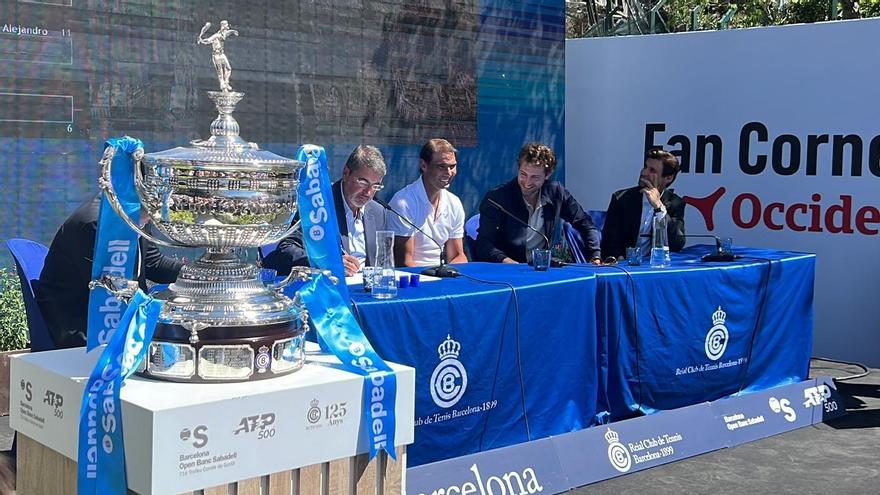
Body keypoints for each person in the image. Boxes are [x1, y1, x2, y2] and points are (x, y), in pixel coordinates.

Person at [34, 195, 183, 349]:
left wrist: (196, 274)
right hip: (80, 323)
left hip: (114, 310)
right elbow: (113, 292)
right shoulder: (97, 225)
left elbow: (154, 263)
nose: (150, 221)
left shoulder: (134, 211)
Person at [262, 145, 389, 276]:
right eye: (363, 182)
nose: (368, 192)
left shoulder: (378, 212)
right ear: (346, 173)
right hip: (328, 287)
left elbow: (382, 261)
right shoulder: (317, 203)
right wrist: (328, 264)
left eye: (376, 185)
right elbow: (286, 249)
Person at [475, 142, 601, 263]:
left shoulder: (556, 192)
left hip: (540, 269)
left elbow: (586, 223)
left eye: (535, 177)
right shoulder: (496, 199)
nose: (527, 183)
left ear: (548, 175)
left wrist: (595, 256)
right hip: (507, 271)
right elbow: (483, 245)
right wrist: (508, 262)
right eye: (523, 174)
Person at [389, 138, 468, 267]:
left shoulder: (454, 203)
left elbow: (457, 256)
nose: (448, 173)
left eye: (452, 166)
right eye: (441, 166)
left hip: (443, 277)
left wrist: (449, 277)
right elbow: (404, 262)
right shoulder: (403, 202)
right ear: (423, 165)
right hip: (414, 280)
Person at [600, 148, 686, 260]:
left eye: (652, 170)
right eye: (645, 167)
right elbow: (609, 242)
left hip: (656, 268)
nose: (644, 173)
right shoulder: (621, 199)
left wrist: (659, 207)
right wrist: (622, 262)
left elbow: (677, 244)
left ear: (668, 178)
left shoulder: (675, 203)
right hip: (624, 266)